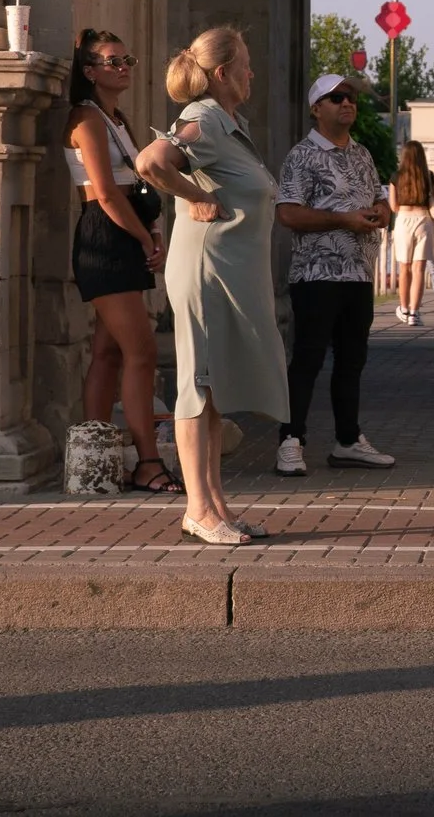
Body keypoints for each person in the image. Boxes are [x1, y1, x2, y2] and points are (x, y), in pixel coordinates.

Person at [135, 27, 291, 546]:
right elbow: (151, 162)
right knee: (198, 387)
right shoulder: (202, 118)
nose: (252, 73)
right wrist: (190, 197)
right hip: (206, 271)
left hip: (226, 273)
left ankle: (216, 507)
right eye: (245, 64)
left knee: (215, 388)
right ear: (222, 73)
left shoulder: (226, 124)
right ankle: (197, 510)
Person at [63, 29, 175, 494]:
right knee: (142, 352)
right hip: (105, 235)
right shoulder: (86, 119)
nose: (123, 67)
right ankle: (147, 461)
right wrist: (143, 239)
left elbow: (137, 185)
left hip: (126, 231)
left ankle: (98, 460)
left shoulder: (117, 119)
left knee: (108, 352)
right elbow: (105, 194)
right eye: (112, 61)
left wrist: (151, 231)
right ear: (89, 72)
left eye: (127, 59)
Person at [273, 74, 399, 476]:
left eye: (351, 98)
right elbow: (287, 212)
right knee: (307, 358)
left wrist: (382, 211)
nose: (347, 103)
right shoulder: (302, 156)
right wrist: (342, 219)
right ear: (316, 108)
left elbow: (380, 197)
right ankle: (291, 440)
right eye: (336, 98)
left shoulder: (361, 154)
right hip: (316, 274)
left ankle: (347, 441)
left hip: (358, 273)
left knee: (352, 361)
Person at [389, 141, 434, 326]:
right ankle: (414, 312)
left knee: (405, 268)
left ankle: (403, 307)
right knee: (419, 269)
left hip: (403, 219)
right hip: (424, 220)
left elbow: (393, 206)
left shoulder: (396, 177)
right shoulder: (428, 176)